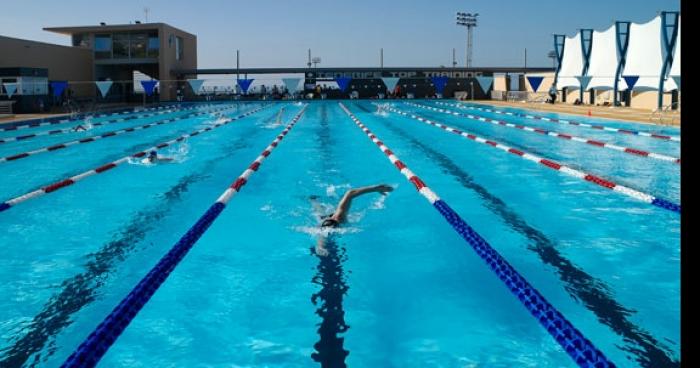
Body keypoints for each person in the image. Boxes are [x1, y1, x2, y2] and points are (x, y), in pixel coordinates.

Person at [313, 184, 393, 256]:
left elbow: (350, 193)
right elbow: (319, 245)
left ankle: (313, 200)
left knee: (322, 213)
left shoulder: (340, 217)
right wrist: (320, 250)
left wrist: (375, 188)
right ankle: (313, 201)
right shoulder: (323, 232)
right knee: (320, 214)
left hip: (333, 218)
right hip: (325, 221)